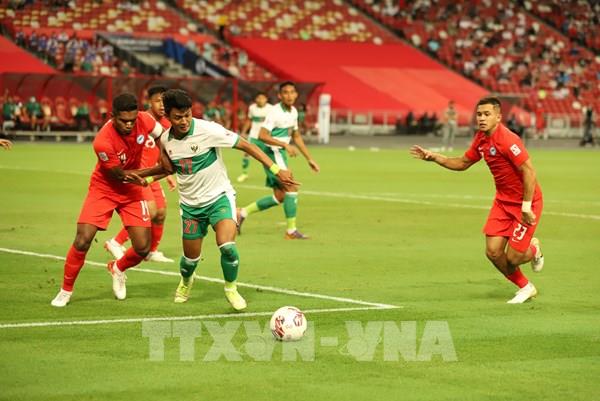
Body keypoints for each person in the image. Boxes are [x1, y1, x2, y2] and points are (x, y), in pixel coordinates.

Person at [153, 89, 298, 309]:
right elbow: (167, 168)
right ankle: (186, 280)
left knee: (227, 246)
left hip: (219, 197)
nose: (184, 121)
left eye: (187, 115)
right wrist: (143, 179)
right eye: (178, 117)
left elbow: (247, 145)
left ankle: (231, 288)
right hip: (191, 207)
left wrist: (277, 170)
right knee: (190, 260)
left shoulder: (208, 130)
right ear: (168, 117)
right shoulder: (165, 140)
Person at [410, 97, 544, 304]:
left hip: (526, 202)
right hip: (502, 202)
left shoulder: (508, 139)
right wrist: (436, 157)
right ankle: (526, 286)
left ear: (498, 117)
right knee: (493, 252)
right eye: (479, 114)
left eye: (487, 114)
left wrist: (526, 206)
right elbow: (463, 163)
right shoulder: (481, 138)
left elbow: (529, 171)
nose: (481, 118)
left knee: (513, 258)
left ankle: (534, 249)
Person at [50, 93, 166, 307]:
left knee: (142, 248)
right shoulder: (103, 141)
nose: (129, 125)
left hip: (131, 190)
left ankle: (118, 268)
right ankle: (65, 291)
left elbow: (162, 135)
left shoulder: (145, 119)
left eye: (132, 120)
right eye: (124, 121)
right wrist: (160, 170)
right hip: (105, 188)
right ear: (112, 116)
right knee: (83, 239)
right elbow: (119, 175)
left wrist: (166, 155)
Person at [237, 81, 320, 239]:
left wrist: (309, 159)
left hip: (279, 153)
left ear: (296, 94)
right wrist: (284, 144)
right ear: (280, 96)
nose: (289, 96)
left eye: (292, 92)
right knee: (291, 187)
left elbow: (296, 136)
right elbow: (263, 135)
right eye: (285, 93)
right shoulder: (275, 112)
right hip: (271, 152)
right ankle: (291, 231)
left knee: (280, 196)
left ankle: (242, 212)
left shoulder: (293, 112)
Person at [105, 86, 177, 263]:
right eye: (158, 100)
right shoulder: (140, 120)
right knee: (150, 211)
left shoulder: (166, 125)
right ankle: (115, 242)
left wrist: (167, 173)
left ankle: (151, 251)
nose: (162, 105)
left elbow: (163, 150)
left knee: (160, 213)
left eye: (165, 101)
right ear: (149, 102)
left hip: (153, 174)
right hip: (139, 175)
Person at [237, 92, 273, 183]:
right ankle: (244, 173)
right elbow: (249, 120)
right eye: (258, 98)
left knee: (269, 156)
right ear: (256, 99)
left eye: (262, 98)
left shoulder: (271, 109)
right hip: (253, 136)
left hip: (266, 136)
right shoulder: (252, 108)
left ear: (266, 99)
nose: (260, 100)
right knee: (246, 153)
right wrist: (244, 132)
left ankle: (272, 175)